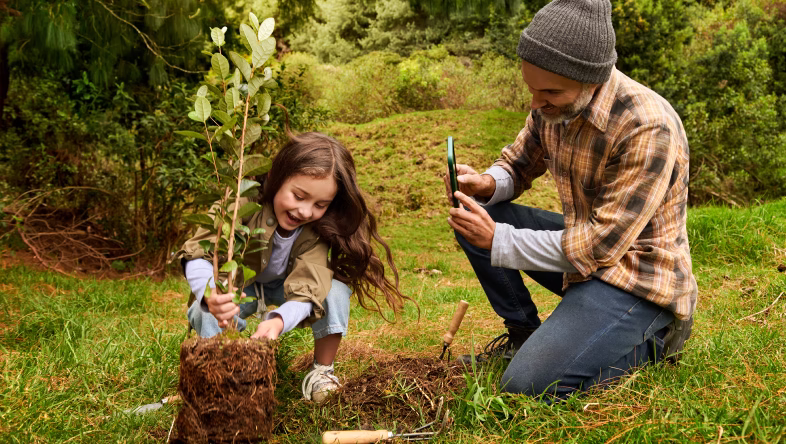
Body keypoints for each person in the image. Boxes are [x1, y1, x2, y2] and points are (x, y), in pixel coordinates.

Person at [445, 0, 697, 401]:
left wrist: (497, 239)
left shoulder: (648, 127)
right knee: (476, 214)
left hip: (636, 274)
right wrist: (486, 184)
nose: (535, 103)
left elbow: (601, 245)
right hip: (584, 255)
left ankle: (655, 338)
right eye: (531, 89)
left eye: (549, 92)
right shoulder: (551, 105)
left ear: (591, 79)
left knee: (525, 387)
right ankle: (524, 336)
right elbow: (519, 163)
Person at [178, 132, 409, 403]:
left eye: (320, 204)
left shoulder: (317, 231)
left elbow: (308, 288)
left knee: (334, 290)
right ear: (278, 178)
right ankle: (215, 375)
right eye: (299, 196)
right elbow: (198, 252)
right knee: (204, 310)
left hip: (290, 286)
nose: (305, 211)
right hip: (241, 286)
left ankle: (322, 372)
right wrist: (211, 293)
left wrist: (279, 320)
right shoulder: (243, 202)